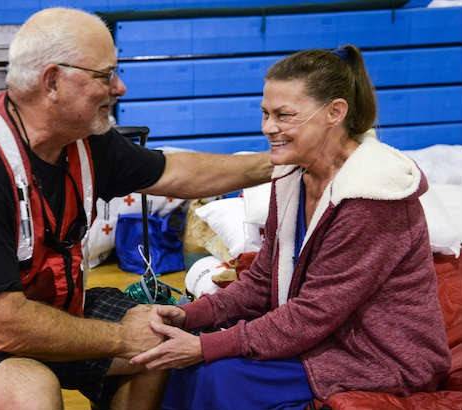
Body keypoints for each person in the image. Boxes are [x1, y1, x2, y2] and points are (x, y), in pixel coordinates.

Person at [0, 7, 272, 410]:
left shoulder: (83, 140)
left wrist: (276, 164)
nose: (120, 87)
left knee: (160, 337)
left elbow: (176, 171)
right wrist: (121, 338)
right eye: (106, 75)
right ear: (52, 81)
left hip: (45, 307)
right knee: (32, 388)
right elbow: (1, 328)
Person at [132, 44, 452, 409]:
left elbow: (314, 313)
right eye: (265, 113)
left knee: (219, 374)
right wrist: (191, 315)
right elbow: (263, 280)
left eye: (284, 115)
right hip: (326, 339)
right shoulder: (292, 175)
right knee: (185, 368)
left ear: (335, 112)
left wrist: (205, 346)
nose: (268, 128)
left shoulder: (372, 196)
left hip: (382, 356)